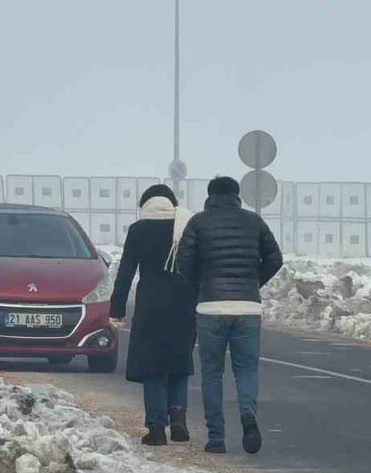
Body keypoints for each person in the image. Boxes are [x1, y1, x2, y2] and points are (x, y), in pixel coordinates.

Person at [176, 176, 284, 454]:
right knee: (246, 369)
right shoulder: (254, 221)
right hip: (247, 307)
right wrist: (252, 283)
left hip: (211, 307)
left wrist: (201, 286)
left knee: (212, 374)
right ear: (237, 195)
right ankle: (248, 415)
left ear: (210, 196)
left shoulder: (198, 222)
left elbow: (183, 262)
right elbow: (275, 258)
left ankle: (216, 438)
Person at [109, 184, 198, 446]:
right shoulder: (186, 227)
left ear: (145, 204)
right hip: (184, 303)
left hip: (151, 306)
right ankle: (179, 418)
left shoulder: (139, 230)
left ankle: (157, 427)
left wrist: (117, 309)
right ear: (171, 203)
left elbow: (125, 272)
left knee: (153, 366)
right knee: (179, 362)